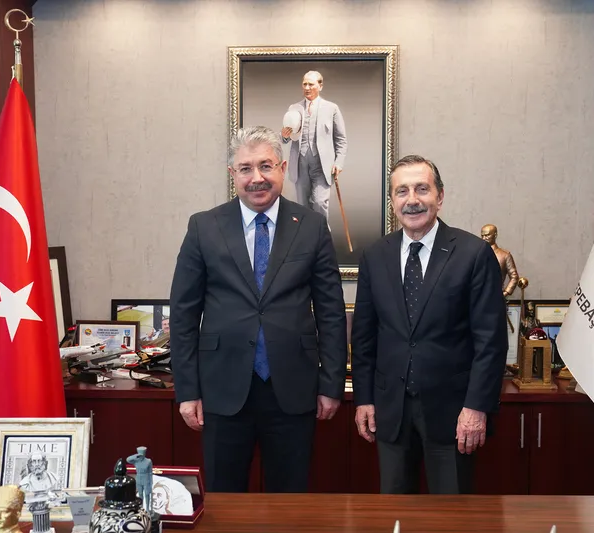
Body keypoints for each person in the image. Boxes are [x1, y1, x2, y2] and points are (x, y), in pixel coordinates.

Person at [169, 125, 347, 493]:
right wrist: (187, 391)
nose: (257, 178)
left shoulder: (312, 226)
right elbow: (184, 314)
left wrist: (331, 383)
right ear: (232, 174)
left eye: (266, 166)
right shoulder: (204, 227)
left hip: (293, 389)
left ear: (282, 168)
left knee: (290, 499)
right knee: (224, 498)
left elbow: (330, 311)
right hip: (222, 388)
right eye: (246, 168)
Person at [351, 154, 507, 494]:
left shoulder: (473, 254)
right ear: (392, 201)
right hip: (391, 413)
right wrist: (364, 399)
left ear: (440, 196)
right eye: (402, 191)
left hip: (453, 415)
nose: (412, 199)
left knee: (451, 515)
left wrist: (476, 408)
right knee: (395, 512)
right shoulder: (375, 256)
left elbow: (491, 342)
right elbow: (364, 337)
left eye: (422, 189)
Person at [280, 70, 347, 218]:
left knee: (319, 202)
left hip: (322, 165)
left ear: (320, 86)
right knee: (302, 205)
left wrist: (338, 163)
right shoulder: (294, 108)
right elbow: (287, 137)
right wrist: (284, 136)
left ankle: (322, 231)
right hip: (300, 164)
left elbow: (341, 139)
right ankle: (306, 233)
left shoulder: (331, 108)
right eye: (304, 84)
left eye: (311, 84)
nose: (307, 88)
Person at [480, 224, 519, 297]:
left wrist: (506, 292)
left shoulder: (505, 255)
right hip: (478, 297)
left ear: (495, 235)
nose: (484, 238)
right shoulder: (477, 254)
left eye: (487, 235)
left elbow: (514, 277)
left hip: (496, 295)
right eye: (482, 236)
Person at [127, 446, 153, 513]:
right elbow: (128, 459)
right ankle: (141, 507)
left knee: (147, 494)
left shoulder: (148, 461)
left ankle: (147, 508)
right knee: (140, 494)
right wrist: (136, 456)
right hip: (139, 477)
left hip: (146, 478)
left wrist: (151, 481)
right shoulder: (136, 461)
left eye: (142, 454)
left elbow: (150, 472)